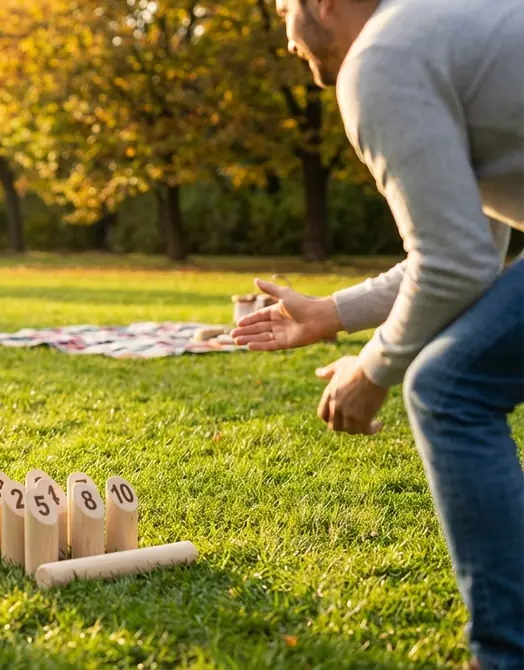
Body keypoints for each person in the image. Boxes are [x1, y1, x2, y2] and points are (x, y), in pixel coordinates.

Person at [233, 1, 523, 667]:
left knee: (447, 387)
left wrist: (373, 369)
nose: (285, 39)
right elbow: (472, 250)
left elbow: (458, 265)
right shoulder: (440, 29)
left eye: (283, 7)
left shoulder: (380, 57)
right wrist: (330, 313)